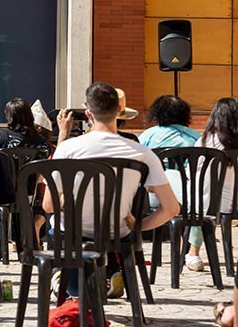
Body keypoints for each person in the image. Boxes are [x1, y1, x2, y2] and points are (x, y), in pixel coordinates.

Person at [49, 83, 179, 300]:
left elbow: (48, 205)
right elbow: (171, 208)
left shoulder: (68, 148)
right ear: (120, 110)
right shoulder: (142, 154)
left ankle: (63, 277)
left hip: (71, 234)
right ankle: (108, 274)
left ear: (89, 113)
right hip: (115, 232)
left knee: (56, 231)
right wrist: (138, 225)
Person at [179, 97, 238, 272]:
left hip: (204, 205)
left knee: (175, 181)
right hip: (232, 204)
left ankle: (189, 250)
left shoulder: (205, 141)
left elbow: (191, 173)